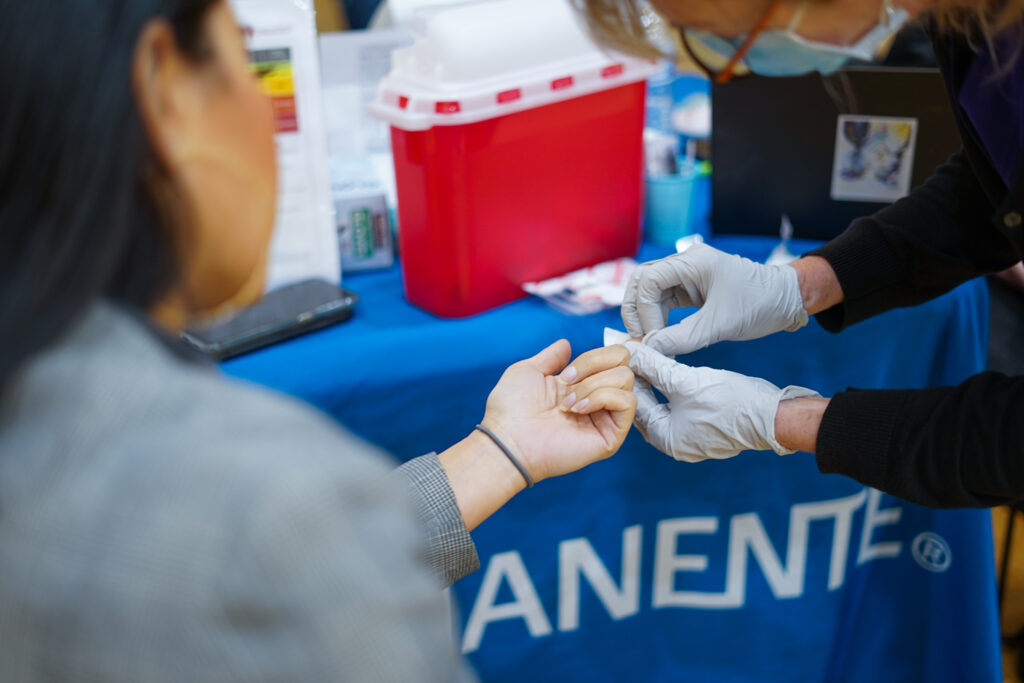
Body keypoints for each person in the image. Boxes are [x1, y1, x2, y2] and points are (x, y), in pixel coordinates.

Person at [0, 1, 637, 680]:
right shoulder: (269, 508)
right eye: (248, 64)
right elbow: (276, 560)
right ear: (165, 91)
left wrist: (499, 451)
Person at [572, 0, 1024, 508]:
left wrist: (786, 420)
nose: (725, 68)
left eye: (720, 40)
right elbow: (994, 182)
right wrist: (803, 284)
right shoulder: (973, 26)